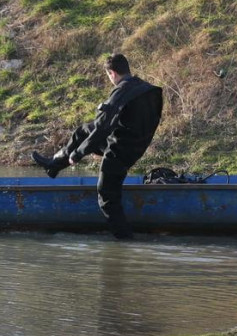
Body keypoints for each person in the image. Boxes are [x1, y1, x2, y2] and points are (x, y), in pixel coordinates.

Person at [31, 54, 163, 239]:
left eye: (108, 76)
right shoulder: (144, 88)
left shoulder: (121, 91)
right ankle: (54, 165)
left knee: (106, 197)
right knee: (83, 131)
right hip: (134, 143)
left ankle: (125, 240)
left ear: (112, 73)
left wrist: (78, 154)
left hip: (120, 152)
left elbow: (103, 127)